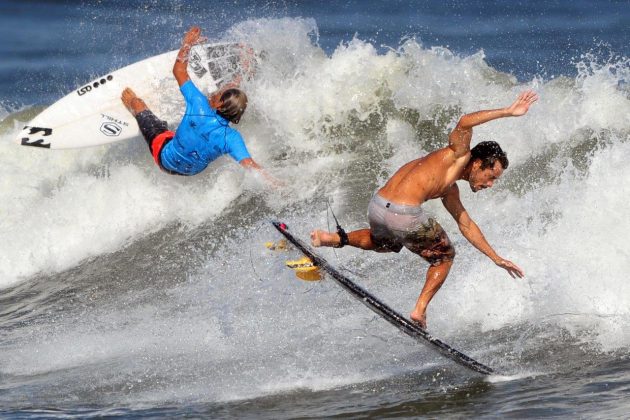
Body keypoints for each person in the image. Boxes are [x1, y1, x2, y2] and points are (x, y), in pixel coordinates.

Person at [311, 91, 539, 329]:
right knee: (444, 257)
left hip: (378, 206)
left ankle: (332, 238)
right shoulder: (459, 154)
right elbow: (465, 121)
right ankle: (419, 309)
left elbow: (466, 224)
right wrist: (507, 111)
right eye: (490, 176)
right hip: (404, 212)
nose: (489, 184)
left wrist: (496, 258)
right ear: (479, 163)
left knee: (386, 243)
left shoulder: (449, 188)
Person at [121, 26, 267, 178]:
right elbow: (251, 166)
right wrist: (279, 186)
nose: (213, 94)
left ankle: (132, 105)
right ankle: (246, 72)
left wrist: (187, 44)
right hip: (191, 171)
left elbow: (179, 70)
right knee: (228, 97)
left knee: (137, 103)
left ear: (218, 105)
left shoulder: (199, 104)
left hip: (164, 157)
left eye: (216, 96)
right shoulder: (232, 138)